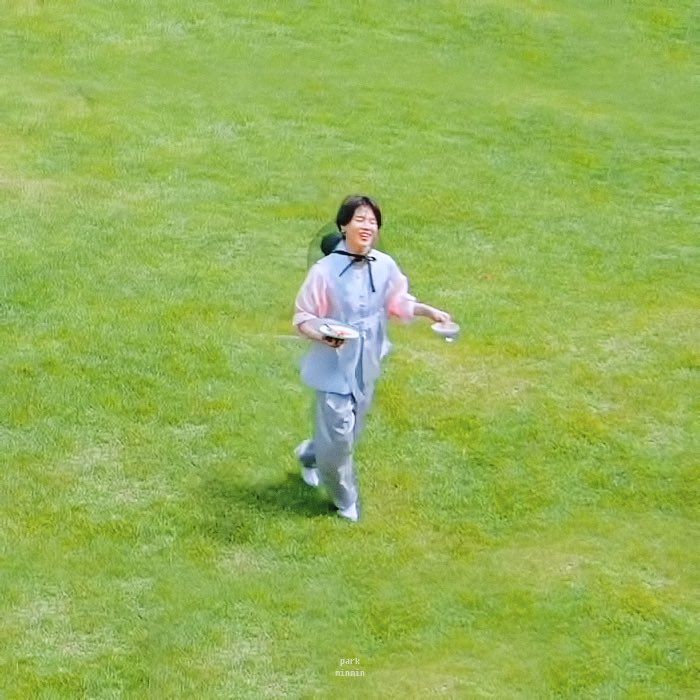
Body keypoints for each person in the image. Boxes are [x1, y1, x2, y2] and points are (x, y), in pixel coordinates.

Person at [293, 195, 451, 522]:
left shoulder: (385, 265)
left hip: (367, 364)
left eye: (373, 221)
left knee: (345, 436)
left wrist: (428, 311)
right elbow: (303, 317)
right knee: (338, 442)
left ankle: (310, 455)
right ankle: (344, 500)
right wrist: (324, 335)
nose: (367, 226)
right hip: (334, 367)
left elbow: (398, 301)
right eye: (360, 219)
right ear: (343, 225)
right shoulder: (324, 272)